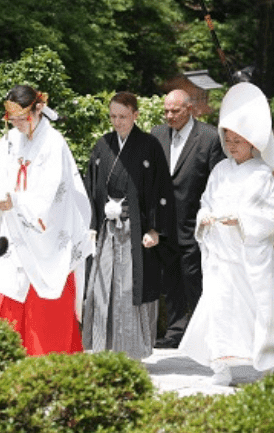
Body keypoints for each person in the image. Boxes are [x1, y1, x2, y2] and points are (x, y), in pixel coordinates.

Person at [179, 83, 274, 385]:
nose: (232, 145)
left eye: (238, 140)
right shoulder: (220, 170)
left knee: (259, 309)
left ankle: (268, 364)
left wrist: (243, 220)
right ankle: (221, 365)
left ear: (253, 142)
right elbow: (206, 201)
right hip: (221, 256)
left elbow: (272, 216)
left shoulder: (262, 175)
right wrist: (205, 218)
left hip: (250, 257)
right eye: (228, 139)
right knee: (220, 310)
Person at [0, 85, 94, 356]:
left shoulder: (54, 143)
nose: (16, 124)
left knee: (46, 310)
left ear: (37, 109)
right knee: (0, 296)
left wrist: (16, 201)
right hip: (13, 234)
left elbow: (52, 197)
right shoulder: (10, 140)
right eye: (11, 119)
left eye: (20, 118)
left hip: (44, 236)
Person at [81, 92, 175, 359]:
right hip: (107, 230)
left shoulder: (150, 146)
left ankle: (132, 350)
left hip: (135, 230)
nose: (117, 122)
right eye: (113, 116)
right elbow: (90, 186)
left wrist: (156, 229)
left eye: (123, 116)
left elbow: (162, 190)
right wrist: (92, 222)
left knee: (128, 289)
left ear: (136, 115)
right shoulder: (102, 145)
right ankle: (102, 346)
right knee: (102, 286)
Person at [152, 89, 226, 348]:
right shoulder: (157, 134)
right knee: (170, 280)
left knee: (195, 280)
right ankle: (175, 332)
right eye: (166, 111)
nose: (169, 116)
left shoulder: (209, 137)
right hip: (165, 224)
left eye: (175, 111)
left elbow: (217, 181)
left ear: (190, 109)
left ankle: (201, 335)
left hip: (196, 223)